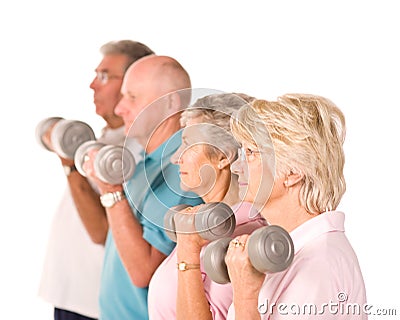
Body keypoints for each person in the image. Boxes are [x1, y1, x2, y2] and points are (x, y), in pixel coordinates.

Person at [38, 40, 154, 320]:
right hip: (68, 295)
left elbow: (102, 231)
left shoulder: (137, 151)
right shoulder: (101, 140)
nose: (93, 85)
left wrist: (69, 166)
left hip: (93, 303)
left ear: (132, 84)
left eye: (104, 76)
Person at [224, 94, 367, 319]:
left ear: (292, 172)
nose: (235, 167)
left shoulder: (320, 263)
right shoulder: (291, 251)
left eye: (250, 152)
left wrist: (245, 296)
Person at [83, 55, 203, 320]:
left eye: (132, 97)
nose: (119, 108)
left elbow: (143, 272)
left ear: (170, 102)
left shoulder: (184, 172)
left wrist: (111, 191)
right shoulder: (144, 164)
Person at [147, 92, 267, 320]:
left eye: (188, 145)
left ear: (223, 156)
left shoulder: (244, 237)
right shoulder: (200, 225)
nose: (175, 158)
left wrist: (188, 248)